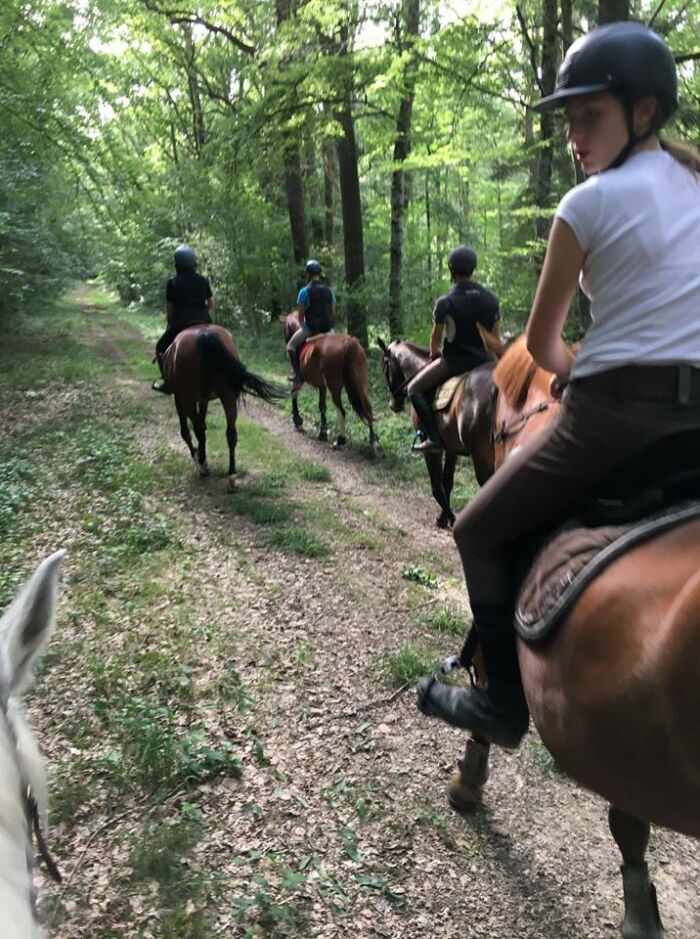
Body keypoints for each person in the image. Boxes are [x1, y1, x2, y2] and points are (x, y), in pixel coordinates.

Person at [416, 22, 700, 748]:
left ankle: (501, 705)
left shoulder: (586, 204)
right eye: (570, 118)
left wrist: (585, 368)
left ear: (643, 112)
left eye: (590, 114)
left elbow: (542, 346)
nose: (575, 132)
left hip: (611, 419)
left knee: (478, 529)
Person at [408, 246, 501, 453]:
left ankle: (433, 438)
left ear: (452, 269)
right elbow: (495, 338)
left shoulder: (446, 302)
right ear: (473, 269)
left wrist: (434, 352)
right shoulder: (491, 299)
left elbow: (435, 339)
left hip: (455, 362)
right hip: (486, 361)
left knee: (413, 390)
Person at [152, 245, 214, 393]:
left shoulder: (172, 282)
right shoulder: (202, 280)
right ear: (193, 261)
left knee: (160, 347)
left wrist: (171, 320)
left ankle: (167, 382)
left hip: (181, 323)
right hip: (204, 320)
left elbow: (170, 308)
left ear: (177, 263)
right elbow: (210, 303)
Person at [287, 259, 336, 384]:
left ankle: (298, 375)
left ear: (308, 274)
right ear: (319, 274)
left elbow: (301, 316)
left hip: (311, 328)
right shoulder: (329, 290)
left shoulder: (304, 292)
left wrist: (303, 326)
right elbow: (333, 312)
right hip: (328, 329)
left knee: (291, 346)